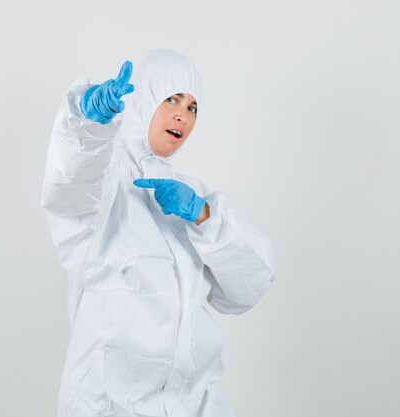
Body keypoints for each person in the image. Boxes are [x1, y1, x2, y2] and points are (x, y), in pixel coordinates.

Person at [40, 49, 276, 417]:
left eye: (193, 106)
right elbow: (70, 184)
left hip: (193, 402)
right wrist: (88, 122)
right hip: (108, 403)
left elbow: (248, 288)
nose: (183, 114)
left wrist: (204, 217)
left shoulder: (191, 194)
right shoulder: (105, 180)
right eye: (171, 99)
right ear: (144, 100)